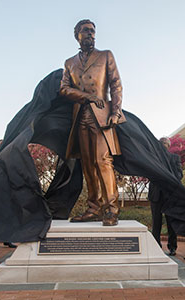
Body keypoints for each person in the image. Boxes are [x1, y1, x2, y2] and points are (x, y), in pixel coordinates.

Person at [59, 19, 125, 226]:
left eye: (93, 31)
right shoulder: (69, 63)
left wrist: (116, 111)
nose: (91, 34)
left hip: (102, 117)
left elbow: (116, 84)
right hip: (81, 117)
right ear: (77, 35)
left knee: (102, 161)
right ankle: (94, 208)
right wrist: (85, 97)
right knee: (87, 165)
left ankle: (111, 209)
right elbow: (64, 89)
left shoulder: (106, 55)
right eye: (86, 31)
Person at [149, 137, 182, 256]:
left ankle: (172, 247)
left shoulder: (175, 158)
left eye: (165, 143)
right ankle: (156, 246)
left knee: (171, 223)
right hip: (156, 195)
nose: (163, 145)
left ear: (169, 145)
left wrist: (168, 179)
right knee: (156, 223)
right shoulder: (153, 159)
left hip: (170, 195)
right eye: (161, 143)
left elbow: (179, 175)